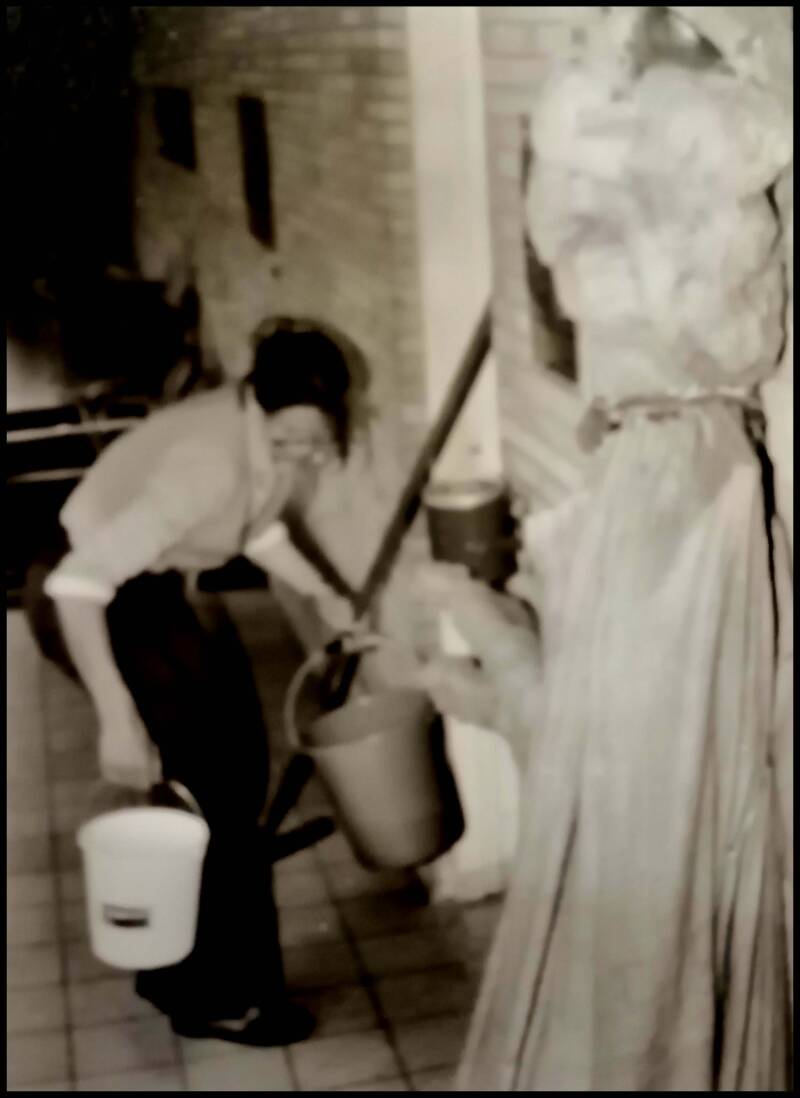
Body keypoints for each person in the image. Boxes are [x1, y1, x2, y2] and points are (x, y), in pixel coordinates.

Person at [417, 14, 793, 1091]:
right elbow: (727, 332)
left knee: (653, 788)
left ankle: (644, 1045)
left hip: (659, 466)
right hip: (686, 473)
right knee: (671, 794)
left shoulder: (602, 115)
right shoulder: (695, 117)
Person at [36, 323, 362, 1046]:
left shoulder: (257, 433)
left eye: (316, 440)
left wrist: (326, 595)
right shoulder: (209, 459)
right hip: (85, 591)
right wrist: (118, 721)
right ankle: (213, 998)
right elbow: (76, 585)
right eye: (290, 440)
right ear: (259, 404)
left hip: (138, 587)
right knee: (214, 788)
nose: (304, 453)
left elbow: (253, 527)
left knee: (232, 772)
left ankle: (186, 973)